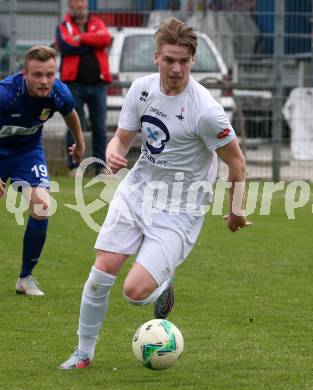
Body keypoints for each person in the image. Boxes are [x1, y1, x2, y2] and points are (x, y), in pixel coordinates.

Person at [59, 17, 250, 370]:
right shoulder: (142, 90)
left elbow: (236, 163)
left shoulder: (206, 111)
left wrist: (236, 210)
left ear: (192, 60)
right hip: (137, 191)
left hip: (180, 208)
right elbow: (123, 135)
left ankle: (161, 285)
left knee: (135, 293)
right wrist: (116, 150)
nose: (176, 69)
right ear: (156, 57)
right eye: (169, 60)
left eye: (184, 61)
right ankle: (83, 353)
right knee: (101, 273)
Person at [0, 45, 85, 296]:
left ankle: (25, 278)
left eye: (50, 74)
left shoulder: (58, 93)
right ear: (25, 73)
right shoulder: (6, 95)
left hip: (26, 153)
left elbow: (71, 114)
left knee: (42, 205)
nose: (44, 81)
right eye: (37, 75)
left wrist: (79, 144)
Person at [55, 0, 112, 176]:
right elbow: (65, 46)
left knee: (100, 127)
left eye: (82, 6)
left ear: (86, 7)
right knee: (74, 126)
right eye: (76, 6)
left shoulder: (97, 22)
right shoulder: (63, 26)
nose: (79, 9)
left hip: (98, 85)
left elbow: (105, 39)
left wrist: (80, 39)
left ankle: (101, 166)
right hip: (74, 85)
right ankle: (75, 167)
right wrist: (92, 44)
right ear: (70, 8)